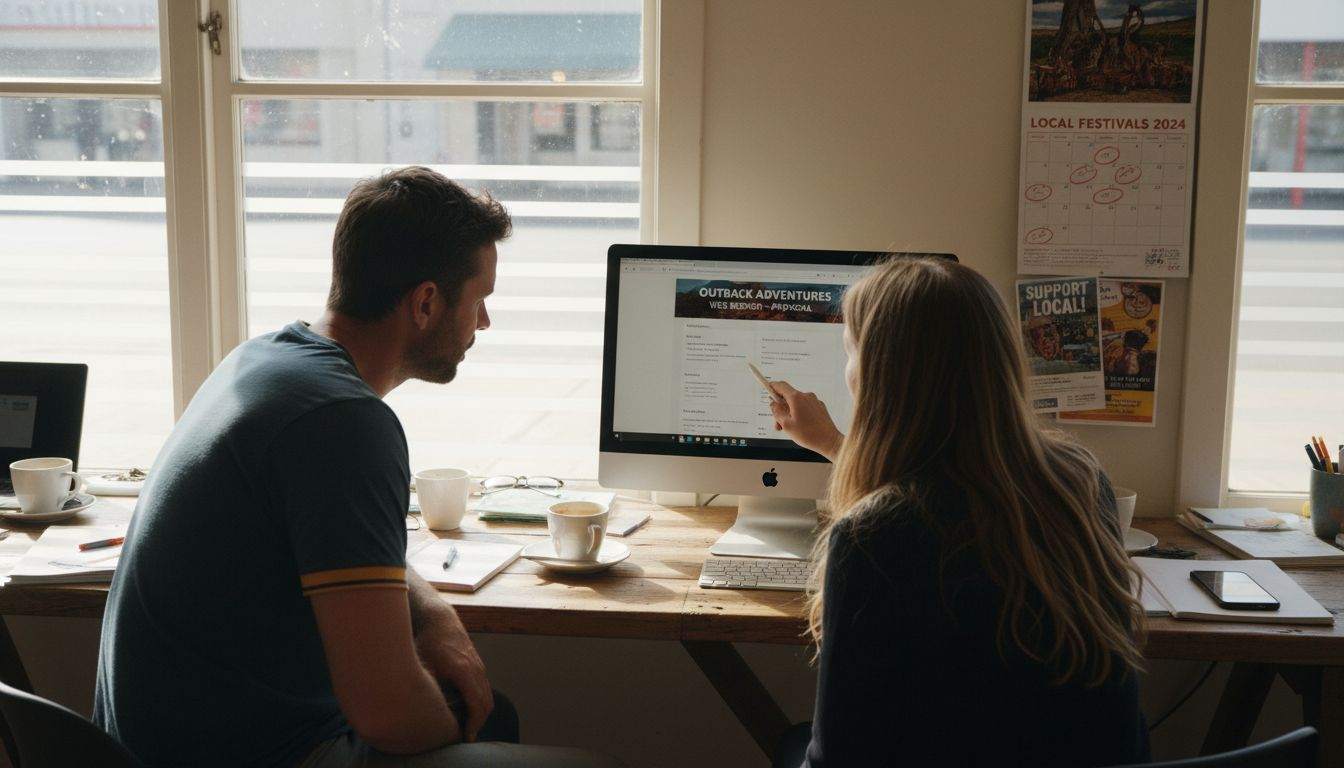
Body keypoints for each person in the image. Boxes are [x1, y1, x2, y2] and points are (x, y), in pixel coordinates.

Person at [93, 166, 621, 768]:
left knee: (489, 710)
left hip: (162, 744)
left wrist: (432, 612)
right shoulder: (342, 422)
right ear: (425, 302)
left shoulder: (264, 361)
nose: (482, 323)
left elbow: (333, 545)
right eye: (479, 301)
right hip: (264, 755)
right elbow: (388, 715)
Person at [766, 257, 1149, 767]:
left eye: (849, 350)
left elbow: (842, 756)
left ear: (879, 375)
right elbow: (945, 485)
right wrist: (836, 445)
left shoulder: (871, 535)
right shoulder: (1081, 483)